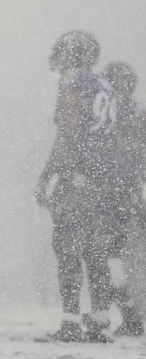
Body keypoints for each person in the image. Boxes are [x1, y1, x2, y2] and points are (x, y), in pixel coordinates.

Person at [35, 31, 116, 343]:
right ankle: (99, 320)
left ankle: (70, 322)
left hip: (78, 171)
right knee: (95, 250)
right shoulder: (104, 84)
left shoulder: (73, 81)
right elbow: (108, 135)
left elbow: (68, 132)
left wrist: (50, 173)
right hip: (101, 172)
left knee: (67, 246)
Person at [100, 61, 145, 336]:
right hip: (130, 191)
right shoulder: (139, 112)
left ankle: (129, 314)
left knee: (108, 254)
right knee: (118, 254)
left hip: (111, 189)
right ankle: (130, 314)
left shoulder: (111, 112)